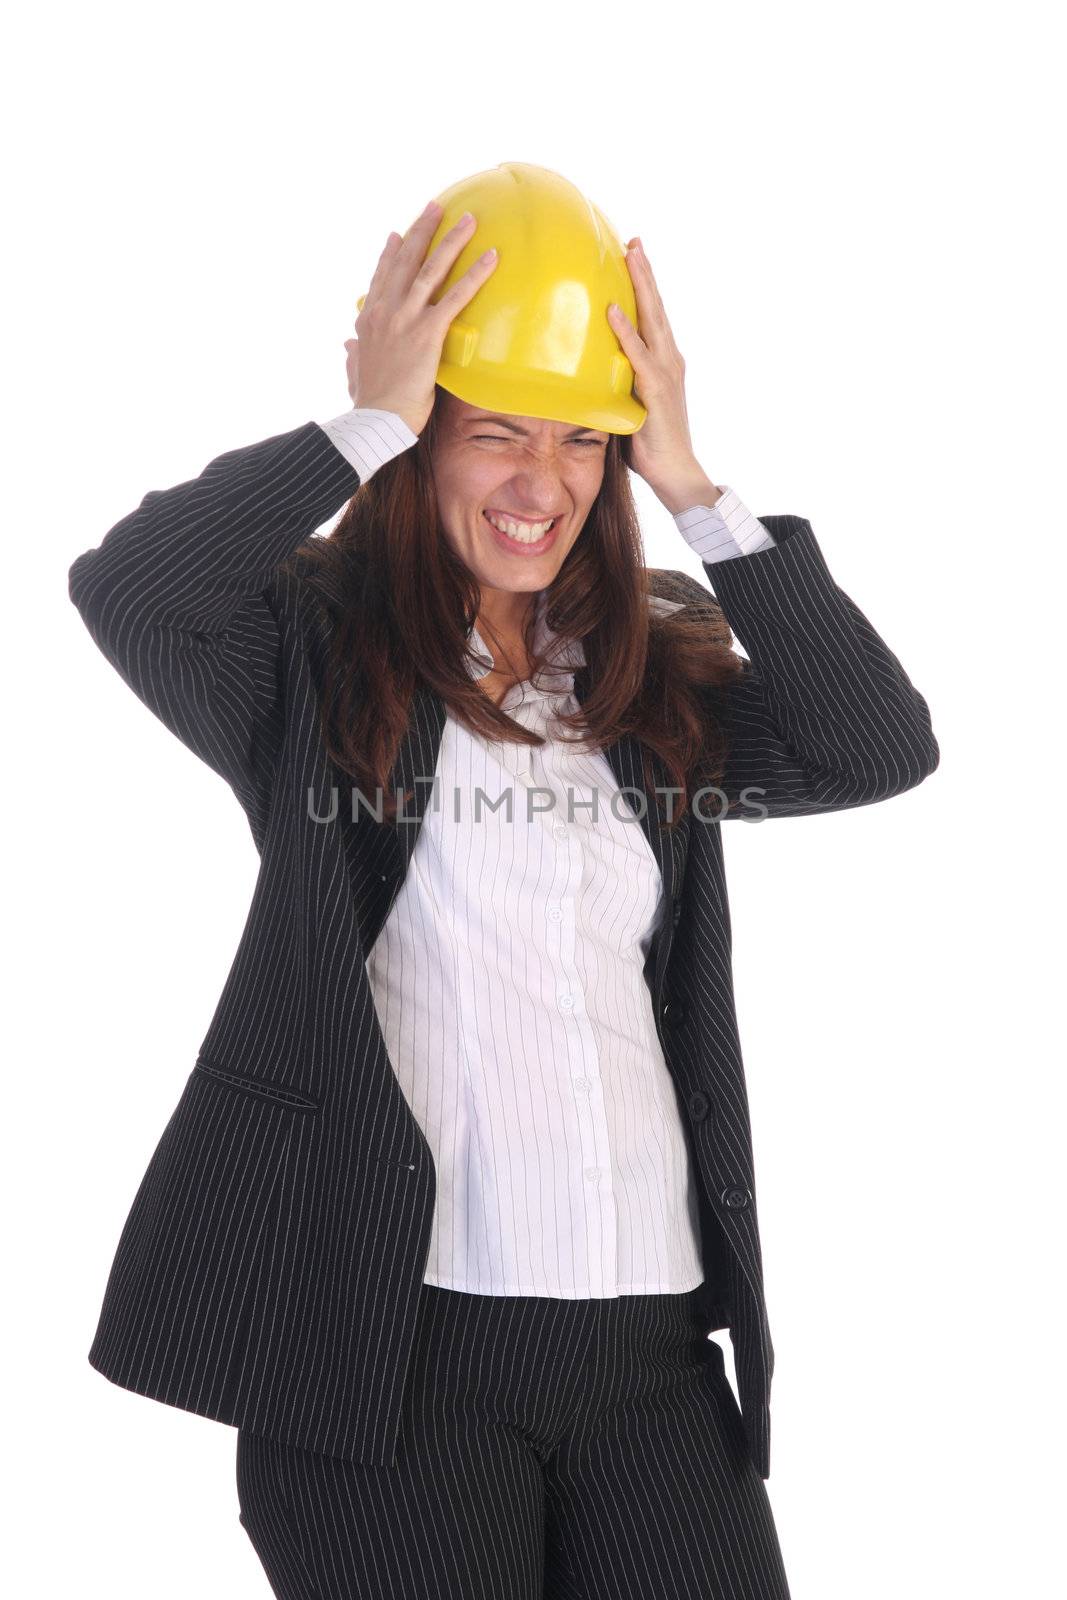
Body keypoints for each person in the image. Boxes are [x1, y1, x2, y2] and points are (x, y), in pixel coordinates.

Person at [67, 163, 939, 1600]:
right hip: (391, 1359)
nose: (544, 485)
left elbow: (875, 748)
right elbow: (135, 588)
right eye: (490, 435)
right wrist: (365, 419)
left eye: (581, 441)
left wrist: (689, 484)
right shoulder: (307, 658)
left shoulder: (651, 679)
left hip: (651, 1356)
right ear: (421, 441)